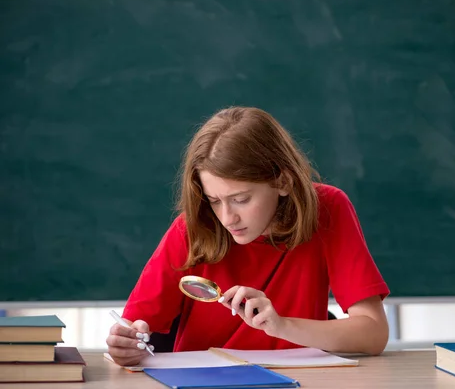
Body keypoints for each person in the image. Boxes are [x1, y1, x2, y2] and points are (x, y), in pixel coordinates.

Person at [106, 107, 390, 366]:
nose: (227, 218)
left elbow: (373, 334)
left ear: (282, 181)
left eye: (241, 199)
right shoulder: (193, 226)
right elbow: (133, 328)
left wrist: (281, 325)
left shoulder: (327, 209)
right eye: (214, 200)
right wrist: (125, 345)